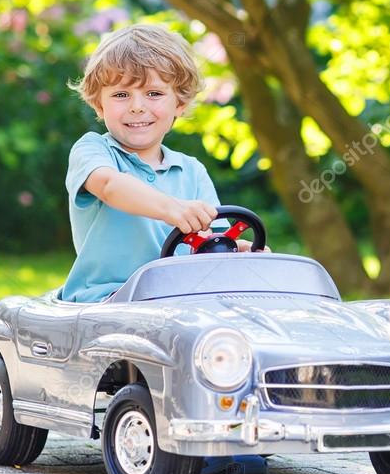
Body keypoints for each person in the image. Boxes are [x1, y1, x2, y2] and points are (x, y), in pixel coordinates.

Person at [60, 24, 265, 303]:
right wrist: (172, 208)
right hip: (107, 299)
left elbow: (211, 244)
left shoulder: (192, 171)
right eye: (121, 95)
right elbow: (109, 185)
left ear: (179, 103)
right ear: (99, 105)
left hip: (178, 299)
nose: (137, 106)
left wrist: (240, 250)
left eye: (153, 94)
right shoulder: (93, 150)